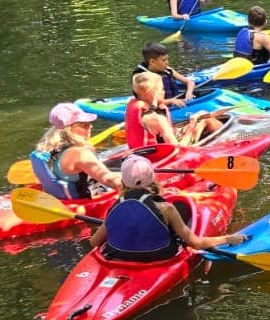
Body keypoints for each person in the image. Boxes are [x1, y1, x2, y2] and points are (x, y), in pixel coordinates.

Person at [89, 155, 241, 259]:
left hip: (118, 257)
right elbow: (195, 243)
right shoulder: (166, 209)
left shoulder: (114, 207)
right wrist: (227, 239)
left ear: (123, 180)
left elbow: (94, 242)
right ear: (152, 177)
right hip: (159, 259)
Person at [32, 103, 122, 198]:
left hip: (63, 200)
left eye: (89, 124)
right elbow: (109, 180)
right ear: (68, 129)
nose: (90, 126)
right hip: (88, 204)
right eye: (84, 125)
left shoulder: (49, 149)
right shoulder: (80, 153)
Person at [124, 71, 223, 150]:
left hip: (141, 152)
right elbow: (178, 149)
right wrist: (192, 125)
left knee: (201, 115)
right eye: (162, 89)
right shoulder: (156, 118)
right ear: (153, 93)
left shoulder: (132, 105)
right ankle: (226, 140)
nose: (164, 92)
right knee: (205, 117)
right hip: (161, 157)